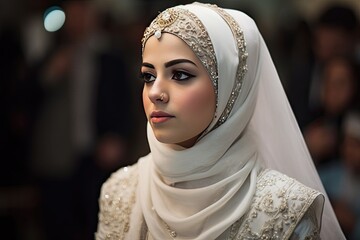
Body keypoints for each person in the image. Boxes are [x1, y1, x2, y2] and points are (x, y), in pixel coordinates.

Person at [96, 3, 344, 239]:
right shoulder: (120, 190)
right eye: (148, 76)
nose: (154, 92)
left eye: (180, 74)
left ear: (229, 87)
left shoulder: (285, 207)